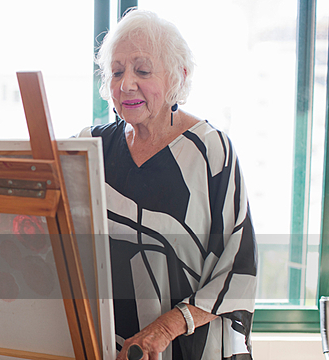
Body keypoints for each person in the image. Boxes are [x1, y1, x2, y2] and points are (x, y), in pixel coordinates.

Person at [78, 9, 257, 360]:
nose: (126, 84)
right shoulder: (89, 147)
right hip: (106, 348)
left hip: (189, 346)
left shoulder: (211, 152)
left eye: (142, 71)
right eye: (117, 72)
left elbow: (237, 268)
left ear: (178, 77)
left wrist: (163, 330)